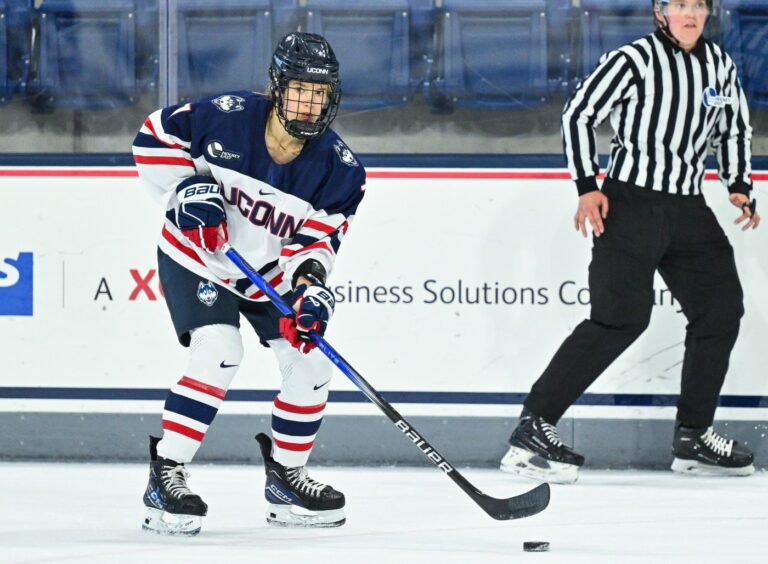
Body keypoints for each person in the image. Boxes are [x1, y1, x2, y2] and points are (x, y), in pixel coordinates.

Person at [500, 0, 760, 484]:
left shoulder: (719, 65)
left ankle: (693, 438)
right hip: (631, 203)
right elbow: (578, 114)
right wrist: (586, 186)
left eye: (698, 6)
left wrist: (738, 184)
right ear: (661, 12)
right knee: (620, 319)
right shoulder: (633, 60)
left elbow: (733, 129)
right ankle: (533, 428)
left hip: (687, 208)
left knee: (721, 310)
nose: (689, 14)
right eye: (679, 5)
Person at [132, 32, 365, 535]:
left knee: (311, 359)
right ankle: (166, 473)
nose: (309, 103)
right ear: (277, 87)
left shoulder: (342, 171)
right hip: (199, 258)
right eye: (300, 89)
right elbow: (153, 137)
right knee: (219, 349)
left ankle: (287, 478)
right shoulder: (225, 116)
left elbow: (316, 244)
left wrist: (309, 290)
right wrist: (184, 191)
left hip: (267, 277)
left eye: (319, 92)